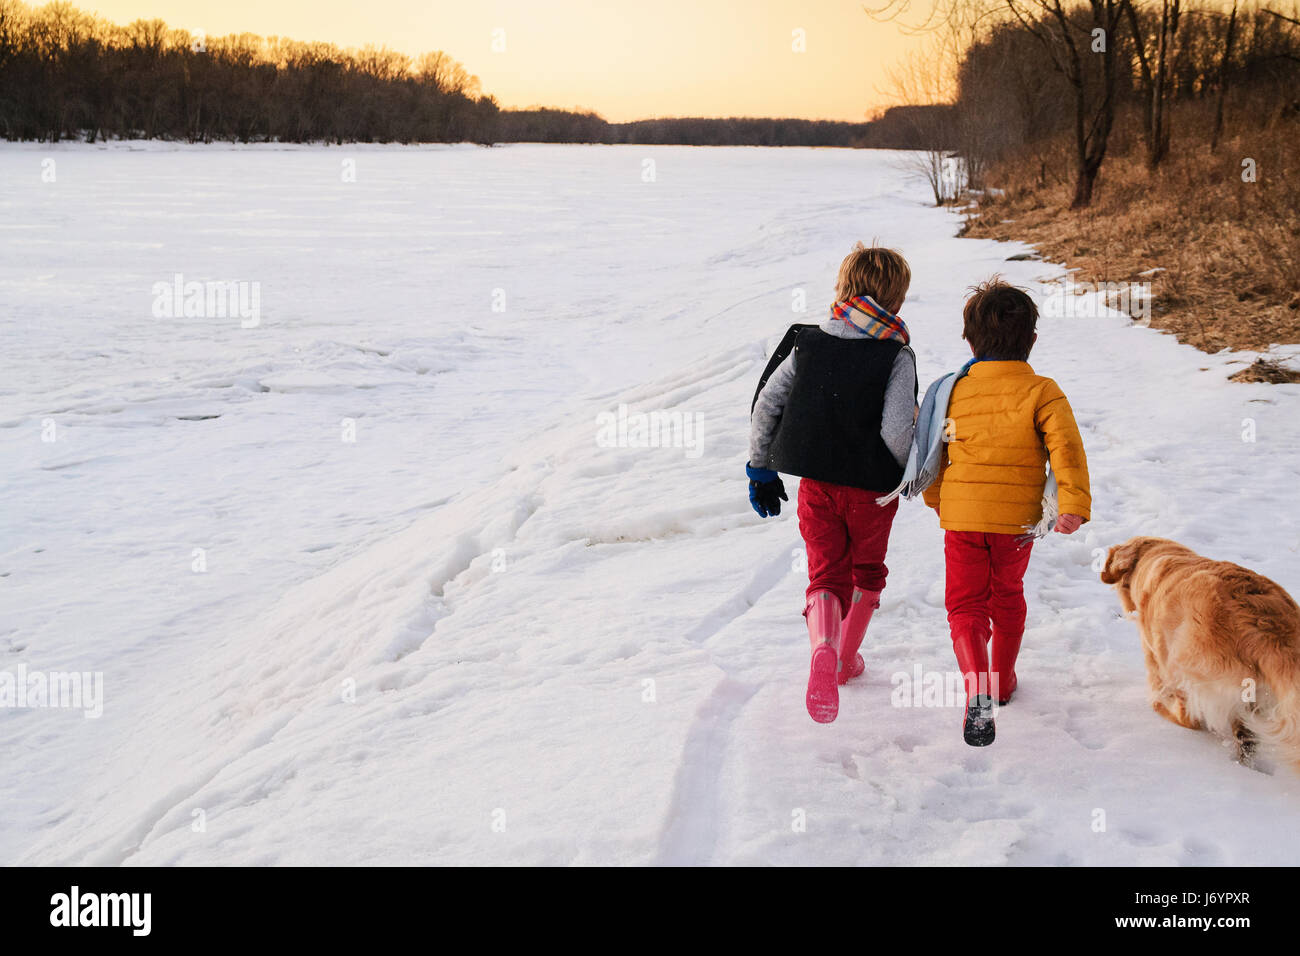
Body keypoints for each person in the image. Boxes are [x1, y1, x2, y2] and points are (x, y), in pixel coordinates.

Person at [746, 243, 918, 723]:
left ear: (843, 288)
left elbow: (767, 404)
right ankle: (844, 660)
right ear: (896, 301)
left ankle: (822, 643)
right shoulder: (896, 356)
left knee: (825, 574)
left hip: (816, 487)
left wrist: (760, 465)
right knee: (867, 573)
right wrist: (910, 476)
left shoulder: (809, 341)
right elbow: (895, 429)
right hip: (872, 494)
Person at [922, 278, 1091, 746]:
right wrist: (1072, 504)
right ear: (1031, 340)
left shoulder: (951, 391)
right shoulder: (1043, 390)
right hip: (1016, 520)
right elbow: (1067, 449)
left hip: (963, 517)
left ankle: (976, 686)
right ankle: (1001, 680)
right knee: (1007, 595)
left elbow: (934, 448)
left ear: (969, 340)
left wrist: (939, 499)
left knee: (965, 604)